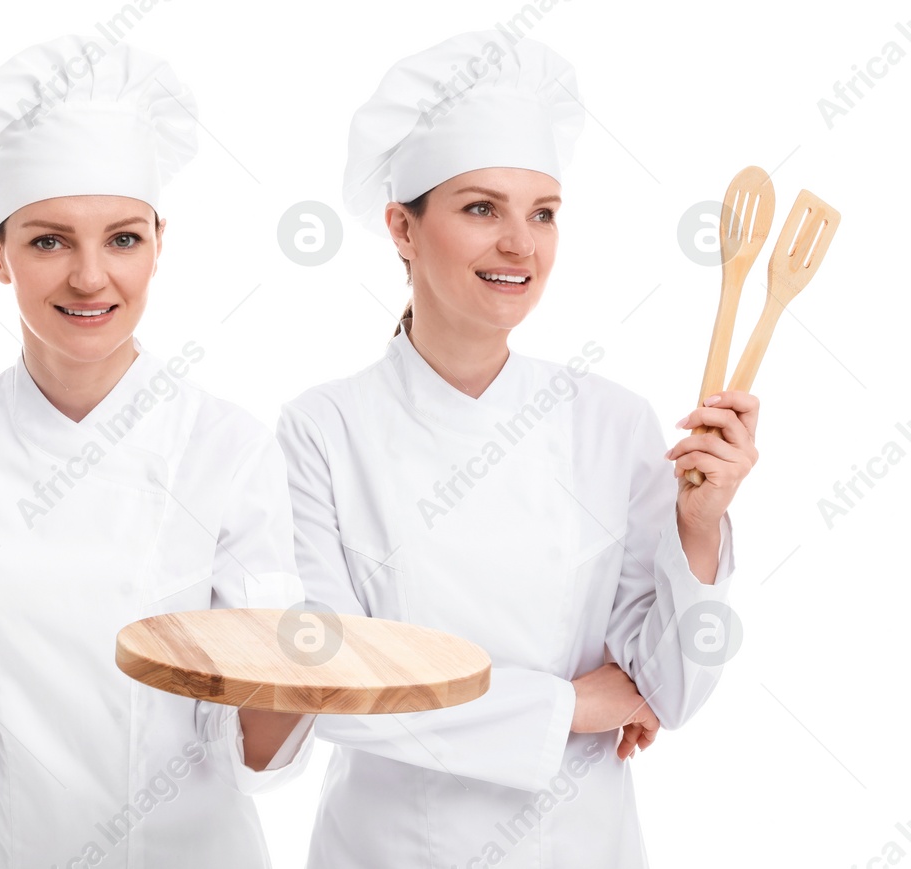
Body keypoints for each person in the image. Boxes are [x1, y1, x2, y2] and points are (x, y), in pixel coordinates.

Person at [0, 34, 312, 869]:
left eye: (122, 239)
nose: (89, 277)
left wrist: (299, 685)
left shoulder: (228, 448)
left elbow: (257, 734)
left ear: (158, 243)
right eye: (48, 241)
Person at [276, 31, 757, 868]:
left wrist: (701, 528)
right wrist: (570, 706)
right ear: (401, 227)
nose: (521, 246)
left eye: (543, 214)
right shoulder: (322, 430)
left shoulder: (614, 421)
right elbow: (328, 689)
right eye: (480, 209)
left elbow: (669, 691)